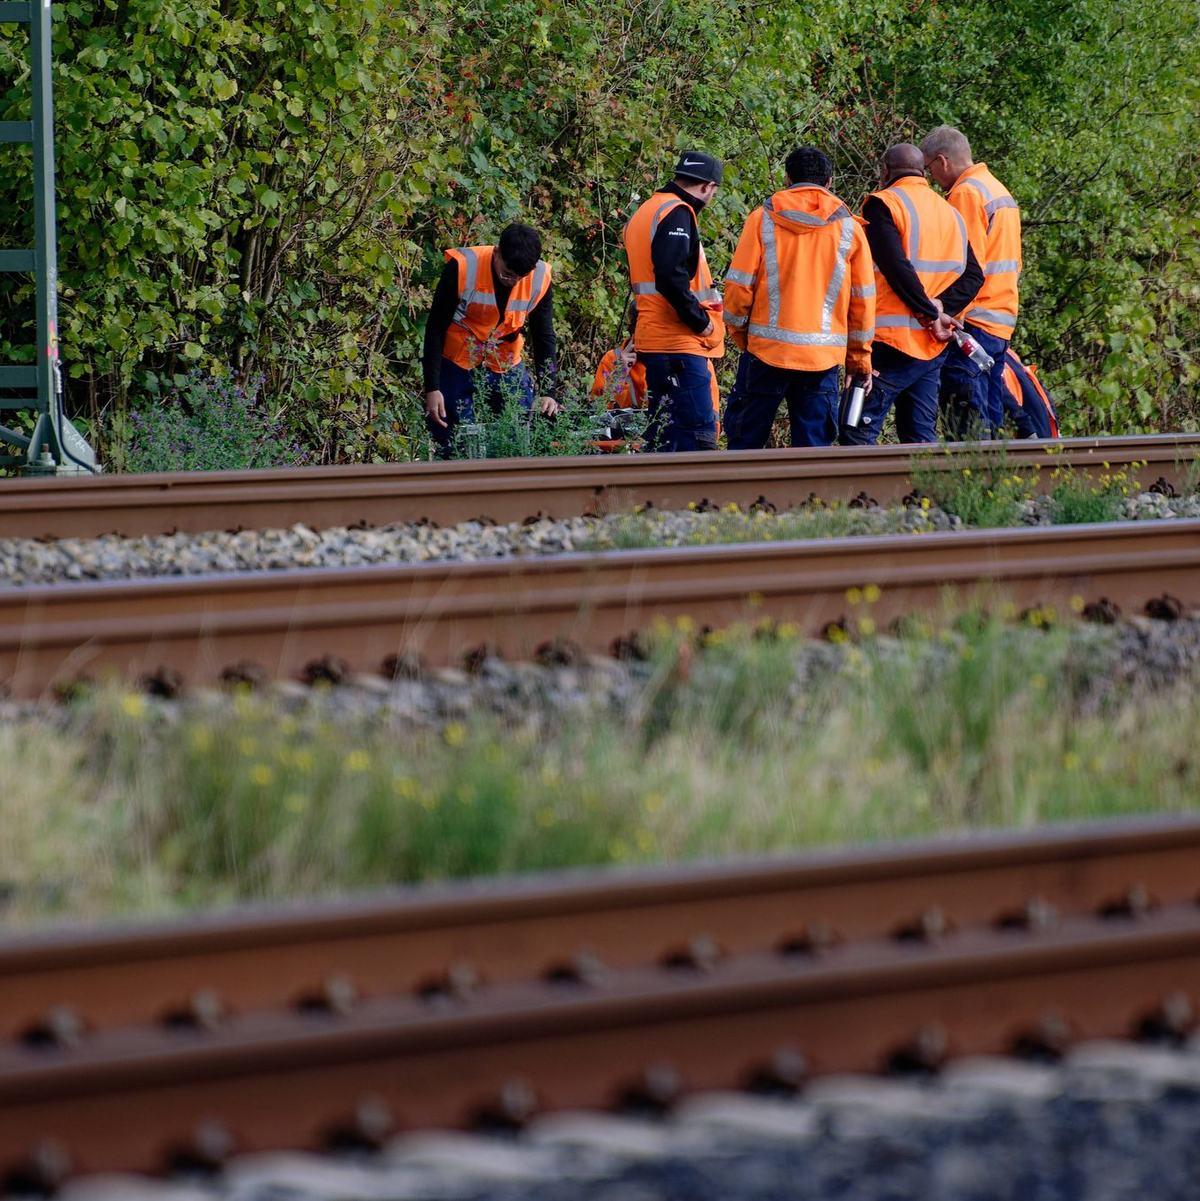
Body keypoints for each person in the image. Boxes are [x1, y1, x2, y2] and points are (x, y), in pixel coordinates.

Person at [722, 145, 875, 449]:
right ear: (829, 182)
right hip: (822, 360)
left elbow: (739, 287)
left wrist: (741, 335)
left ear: (788, 179)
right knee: (813, 454)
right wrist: (859, 361)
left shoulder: (762, 219)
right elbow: (863, 303)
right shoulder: (850, 229)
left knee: (744, 446)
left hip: (765, 352)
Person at [839, 144, 984, 446]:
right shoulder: (951, 213)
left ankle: (861, 482)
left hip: (890, 343)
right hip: (932, 347)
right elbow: (974, 277)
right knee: (918, 439)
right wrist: (940, 308)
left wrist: (930, 313)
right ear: (922, 172)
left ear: (885, 171)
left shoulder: (883, 203)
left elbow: (896, 268)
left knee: (854, 428)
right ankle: (924, 481)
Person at [920, 125, 1022, 438]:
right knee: (990, 420)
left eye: (929, 168)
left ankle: (973, 469)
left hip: (973, 322)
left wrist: (950, 319)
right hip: (999, 320)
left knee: (967, 423)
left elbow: (966, 266)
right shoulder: (996, 188)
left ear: (942, 161)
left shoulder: (965, 193)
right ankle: (993, 470)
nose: (931, 177)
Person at [423, 223, 559, 456]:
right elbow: (435, 327)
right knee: (452, 437)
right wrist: (432, 388)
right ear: (496, 252)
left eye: (520, 277)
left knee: (519, 435)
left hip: (506, 361)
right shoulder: (463, 267)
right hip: (458, 359)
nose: (512, 281)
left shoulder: (540, 278)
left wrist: (549, 391)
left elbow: (543, 335)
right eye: (507, 274)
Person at [622, 151, 725, 452]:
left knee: (664, 441)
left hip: (655, 341)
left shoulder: (647, 210)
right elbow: (669, 276)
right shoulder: (677, 212)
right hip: (679, 344)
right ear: (707, 186)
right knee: (698, 439)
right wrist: (701, 322)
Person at [1000, 348, 1058, 438]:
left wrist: (1055, 419)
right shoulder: (987, 356)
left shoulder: (1007, 352)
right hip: (1023, 437)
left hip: (1042, 432)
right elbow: (1005, 398)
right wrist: (1027, 430)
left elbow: (1036, 385)